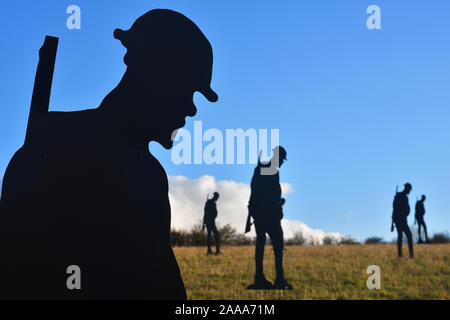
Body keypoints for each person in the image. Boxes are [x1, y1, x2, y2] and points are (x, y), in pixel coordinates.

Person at [0, 9, 218, 299]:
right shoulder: (142, 175)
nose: (191, 109)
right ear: (156, 79)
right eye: (187, 90)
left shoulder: (50, 140)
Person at [247, 146, 292, 290]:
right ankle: (278, 279)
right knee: (277, 246)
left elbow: (256, 191)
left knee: (261, 246)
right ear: (277, 157)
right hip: (269, 215)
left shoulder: (262, 168)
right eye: (282, 159)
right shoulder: (271, 171)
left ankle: (260, 278)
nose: (282, 163)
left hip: (261, 214)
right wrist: (277, 202)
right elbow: (268, 195)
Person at [392, 183, 415, 258]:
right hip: (400, 219)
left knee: (401, 236)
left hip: (401, 219)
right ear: (407, 189)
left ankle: (402, 254)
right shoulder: (400, 196)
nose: (409, 192)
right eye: (409, 190)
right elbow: (395, 208)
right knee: (406, 235)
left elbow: (406, 209)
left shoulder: (401, 196)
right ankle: (407, 255)